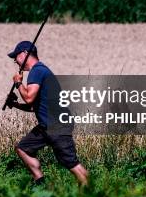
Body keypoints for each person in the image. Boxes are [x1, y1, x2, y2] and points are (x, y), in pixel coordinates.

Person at [6, 41, 89, 186]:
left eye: (16, 57)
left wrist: (19, 83)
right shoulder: (39, 71)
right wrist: (15, 104)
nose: (15, 61)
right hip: (46, 126)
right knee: (23, 148)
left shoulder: (37, 71)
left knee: (71, 163)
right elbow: (34, 106)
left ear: (25, 54)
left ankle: (91, 192)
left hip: (56, 125)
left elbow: (29, 97)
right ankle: (40, 184)